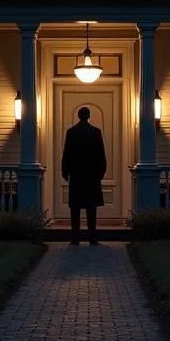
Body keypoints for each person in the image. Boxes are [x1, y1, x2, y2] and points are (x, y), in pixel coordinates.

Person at [61, 105, 107, 245]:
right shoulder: (95, 132)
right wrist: (101, 172)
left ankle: (75, 237)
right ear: (89, 116)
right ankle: (92, 237)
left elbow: (66, 154)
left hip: (76, 176)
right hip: (92, 176)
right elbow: (101, 155)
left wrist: (65, 172)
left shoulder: (71, 132)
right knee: (91, 208)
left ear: (79, 116)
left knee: (75, 208)